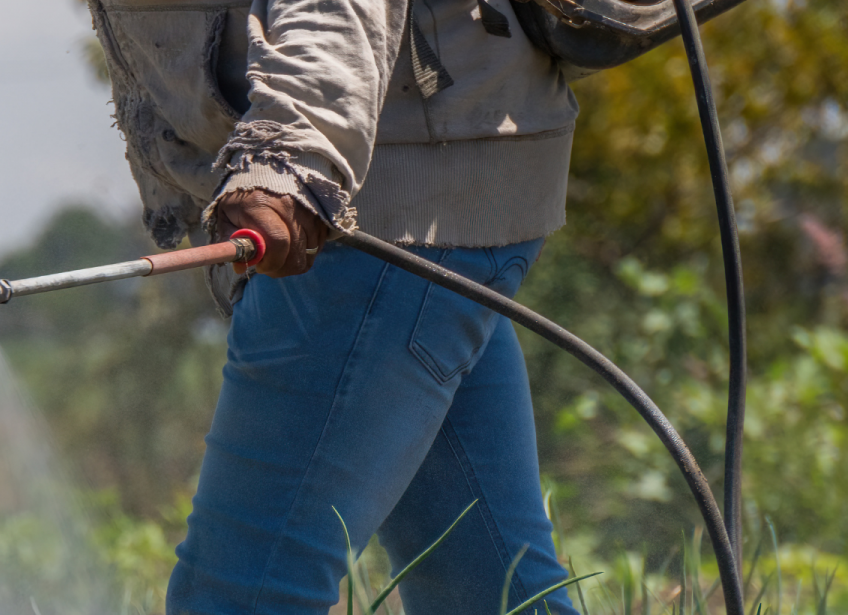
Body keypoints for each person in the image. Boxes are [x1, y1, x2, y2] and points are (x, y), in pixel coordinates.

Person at [85, 0, 582, 612]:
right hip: (426, 181)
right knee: (485, 586)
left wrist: (292, 155)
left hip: (370, 208)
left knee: (243, 594)